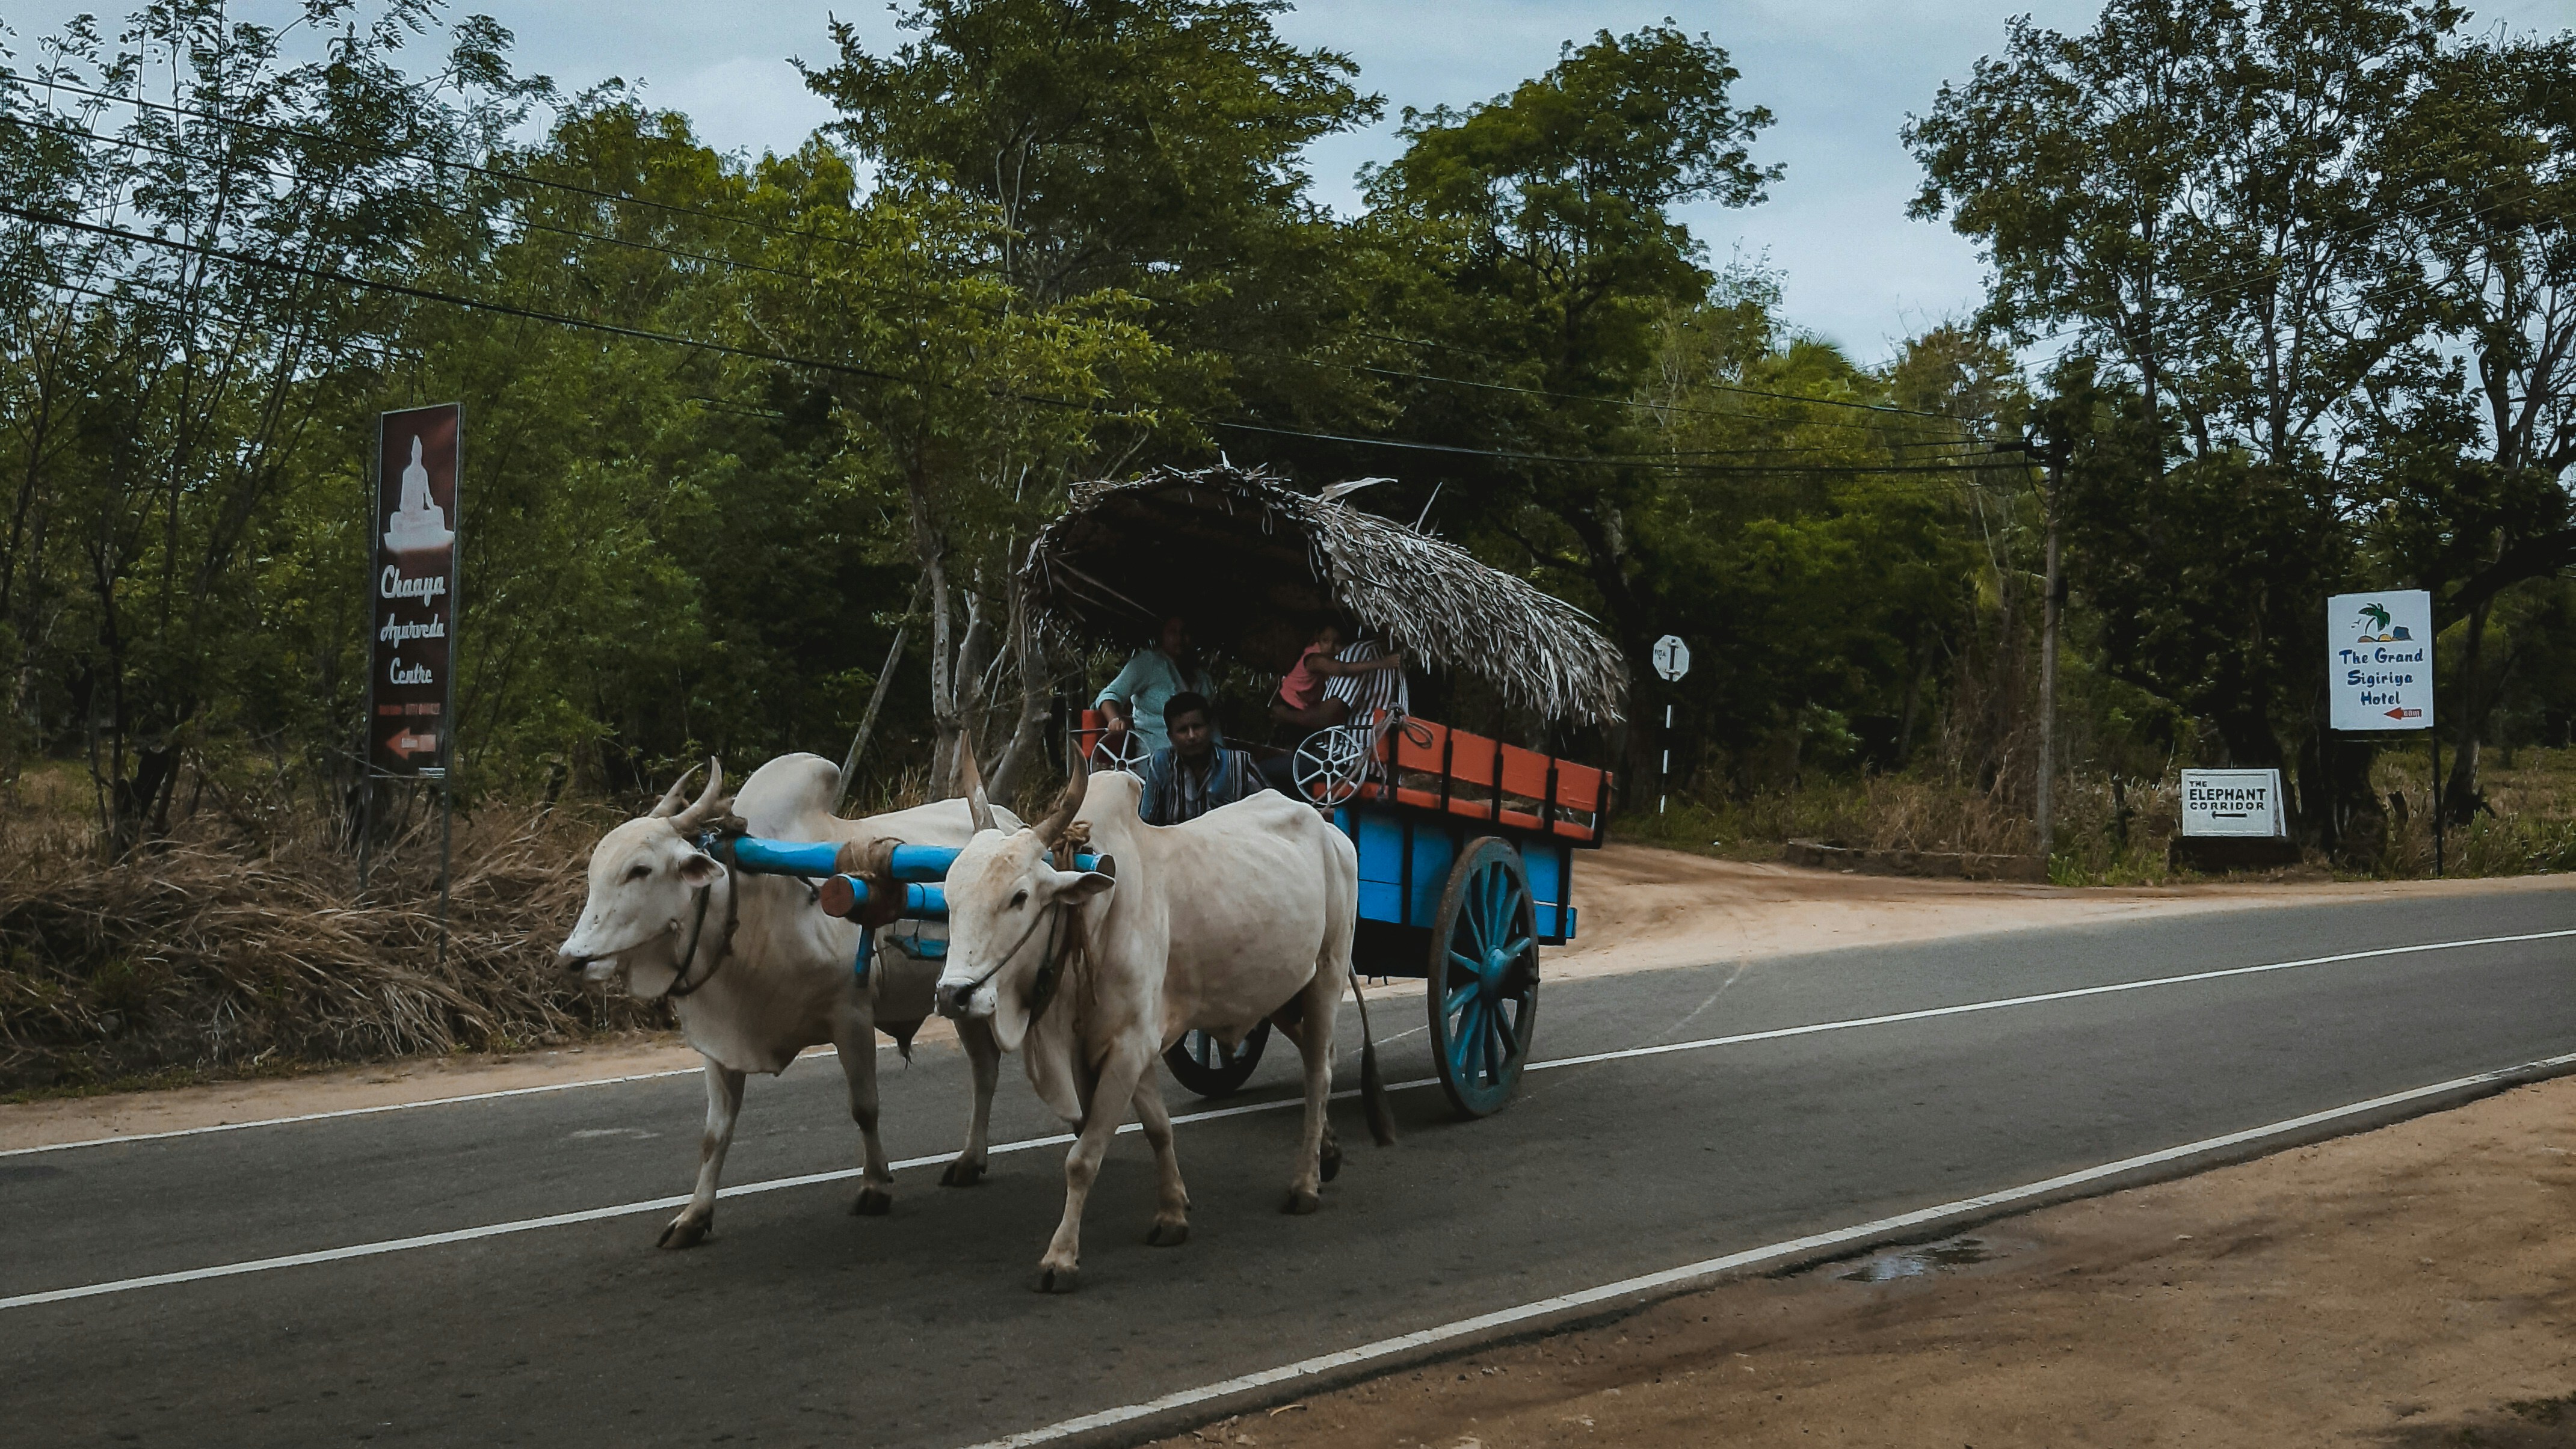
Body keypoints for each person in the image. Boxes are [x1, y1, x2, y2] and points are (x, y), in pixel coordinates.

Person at [1262, 631, 1410, 791]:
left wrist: (1286, 716)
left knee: (1259, 772)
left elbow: (1327, 717)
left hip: (1345, 763)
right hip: (1383, 773)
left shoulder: (1361, 653)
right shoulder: (1395, 660)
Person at [1095, 615, 1218, 758]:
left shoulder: (1201, 674)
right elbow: (1109, 695)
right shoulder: (1147, 663)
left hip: (1202, 762)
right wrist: (1115, 720)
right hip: (1155, 758)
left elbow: (1213, 723)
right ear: (1162, 635)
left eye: (1184, 632)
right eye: (1173, 632)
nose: (1179, 638)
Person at [1135, 693, 1263, 826]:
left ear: (1210, 728)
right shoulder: (1161, 764)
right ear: (1171, 737)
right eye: (1183, 730)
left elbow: (1272, 808)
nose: (1192, 736)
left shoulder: (1240, 763)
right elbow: (1147, 822)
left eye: (1197, 727)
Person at [1275, 622, 1403, 714]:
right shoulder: (1315, 658)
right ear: (1317, 639)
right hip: (1290, 703)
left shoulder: (1327, 658)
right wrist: (1380, 664)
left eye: (1337, 643)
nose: (1330, 648)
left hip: (1302, 703)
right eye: (1325, 641)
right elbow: (1342, 670)